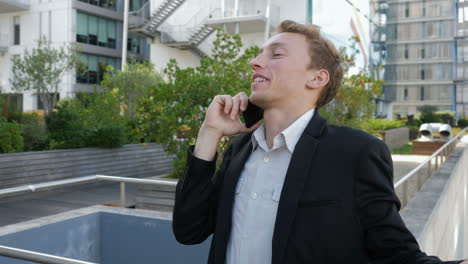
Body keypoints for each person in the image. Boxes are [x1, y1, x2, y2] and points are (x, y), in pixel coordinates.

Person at [172, 20, 466, 264]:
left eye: (275, 55)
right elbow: (189, 231)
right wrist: (210, 132)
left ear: (316, 78)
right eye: (260, 54)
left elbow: (395, 251)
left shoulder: (356, 153)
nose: (255, 61)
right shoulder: (239, 149)